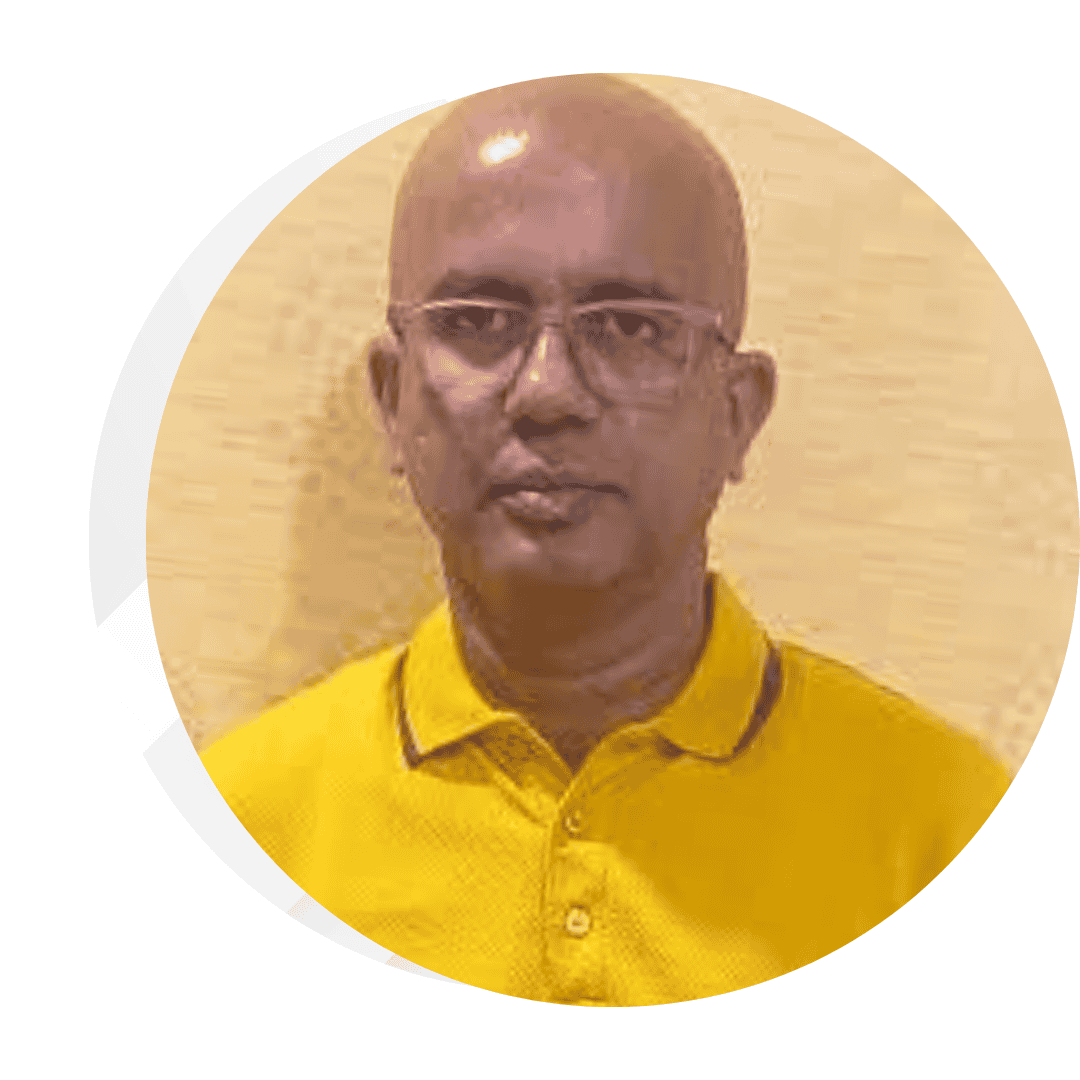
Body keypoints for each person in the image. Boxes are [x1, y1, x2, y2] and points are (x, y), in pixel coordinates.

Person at [200, 74, 1011, 1006]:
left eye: (629, 327)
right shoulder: (238, 831)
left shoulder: (948, 836)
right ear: (393, 401)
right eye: (478, 323)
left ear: (737, 414)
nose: (547, 391)